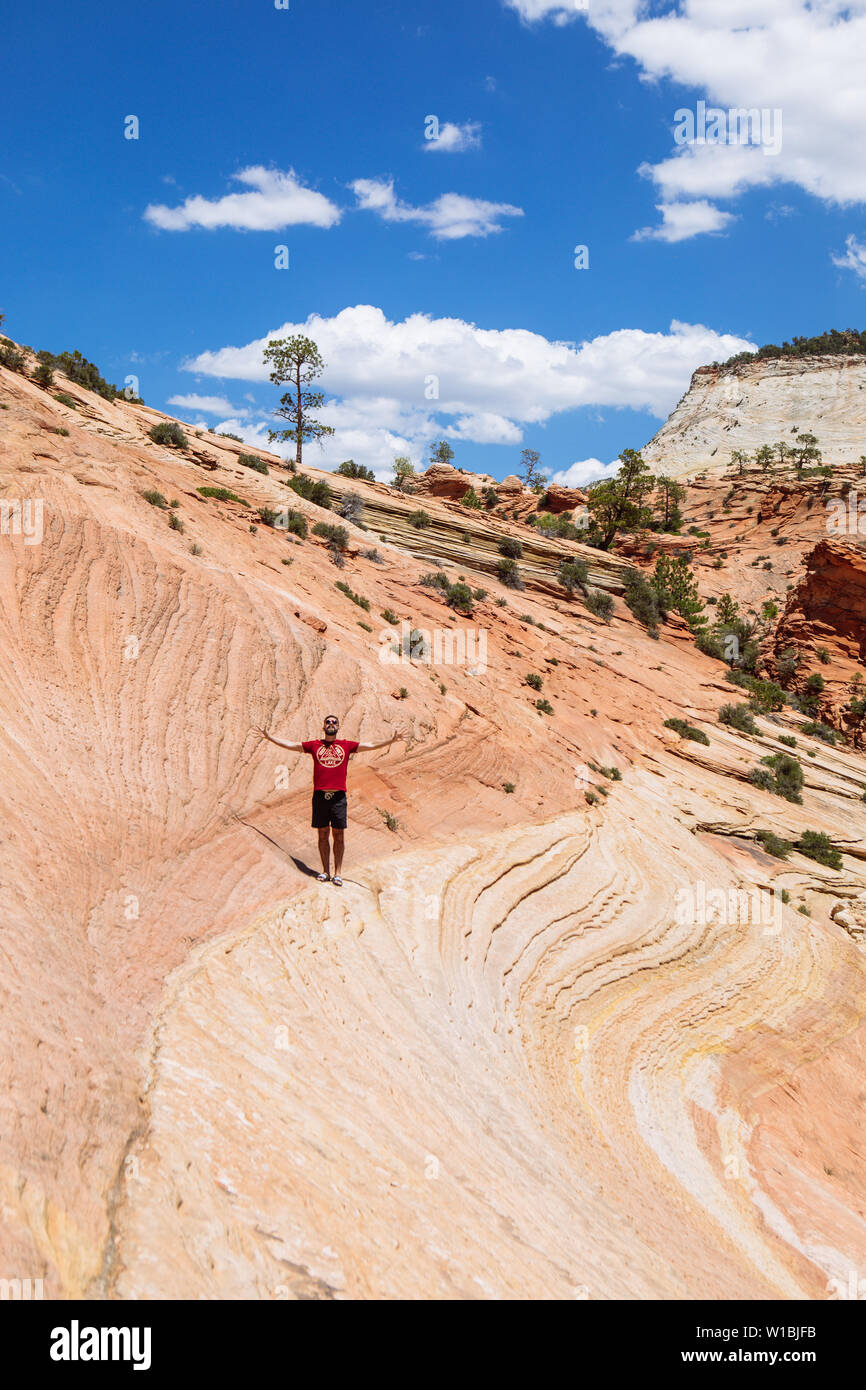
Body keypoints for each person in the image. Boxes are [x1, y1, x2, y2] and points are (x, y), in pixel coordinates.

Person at [255, 714, 401, 885]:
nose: (331, 724)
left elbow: (369, 745)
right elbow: (292, 745)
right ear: (323, 727)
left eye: (334, 722)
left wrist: (391, 741)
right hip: (320, 797)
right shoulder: (314, 745)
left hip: (338, 797)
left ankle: (338, 873)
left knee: (338, 836)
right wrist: (269, 737)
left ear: (338, 727)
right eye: (328, 722)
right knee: (322, 834)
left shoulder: (346, 745)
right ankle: (325, 871)